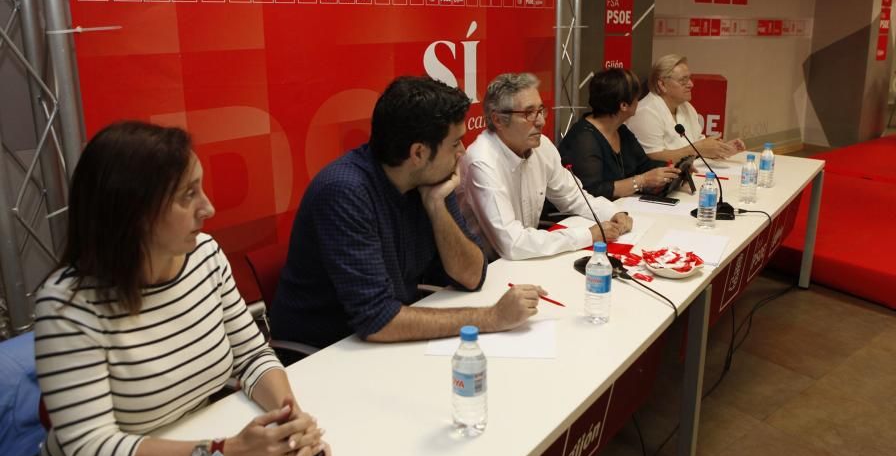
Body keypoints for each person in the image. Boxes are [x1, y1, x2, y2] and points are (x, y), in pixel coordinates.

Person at [33, 121, 329, 456]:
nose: (208, 208)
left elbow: (252, 357)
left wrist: (289, 420)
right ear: (133, 213)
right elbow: (94, 450)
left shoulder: (205, 257)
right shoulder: (67, 308)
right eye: (187, 195)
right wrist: (227, 455)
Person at [269, 76, 543, 347]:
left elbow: (471, 276)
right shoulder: (344, 192)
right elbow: (377, 320)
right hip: (323, 355)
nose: (462, 151)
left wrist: (437, 208)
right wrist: (492, 317)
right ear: (419, 153)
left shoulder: (430, 180)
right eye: (455, 143)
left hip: (384, 343)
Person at [458, 73, 633, 261]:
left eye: (541, 110)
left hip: (528, 257)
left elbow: (574, 197)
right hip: (490, 269)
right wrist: (589, 235)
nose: (541, 121)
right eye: (528, 113)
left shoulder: (542, 146)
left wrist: (613, 213)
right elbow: (512, 244)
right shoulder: (482, 162)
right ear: (498, 120)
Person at [559, 68, 680, 199]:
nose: (638, 101)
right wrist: (642, 181)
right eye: (636, 97)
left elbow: (643, 165)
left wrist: (674, 169)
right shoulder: (583, 139)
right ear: (624, 105)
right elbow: (592, 191)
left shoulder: (620, 130)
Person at [626, 53, 745, 164]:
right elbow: (653, 157)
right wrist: (696, 149)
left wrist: (721, 149)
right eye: (683, 80)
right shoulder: (646, 112)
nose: (691, 84)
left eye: (689, 78)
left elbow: (699, 143)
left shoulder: (686, 107)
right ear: (662, 85)